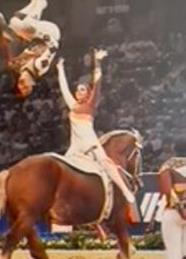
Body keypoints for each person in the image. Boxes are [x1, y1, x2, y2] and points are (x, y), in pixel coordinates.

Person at [56, 49, 135, 203]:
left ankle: (125, 191)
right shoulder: (73, 105)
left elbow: (97, 82)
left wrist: (97, 61)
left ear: (87, 93)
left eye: (82, 90)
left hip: (90, 142)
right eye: (77, 90)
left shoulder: (91, 105)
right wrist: (60, 69)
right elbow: (64, 88)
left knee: (106, 163)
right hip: (76, 146)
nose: (78, 92)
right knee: (62, 170)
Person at [0, 0, 61, 98]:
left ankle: (33, 4)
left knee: (14, 23)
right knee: (26, 25)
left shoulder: (18, 66)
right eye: (26, 87)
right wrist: (42, 35)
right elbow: (54, 46)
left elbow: (8, 36)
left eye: (20, 87)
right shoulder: (39, 66)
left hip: (35, 36)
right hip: (52, 33)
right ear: (32, 83)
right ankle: (40, 5)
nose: (22, 84)